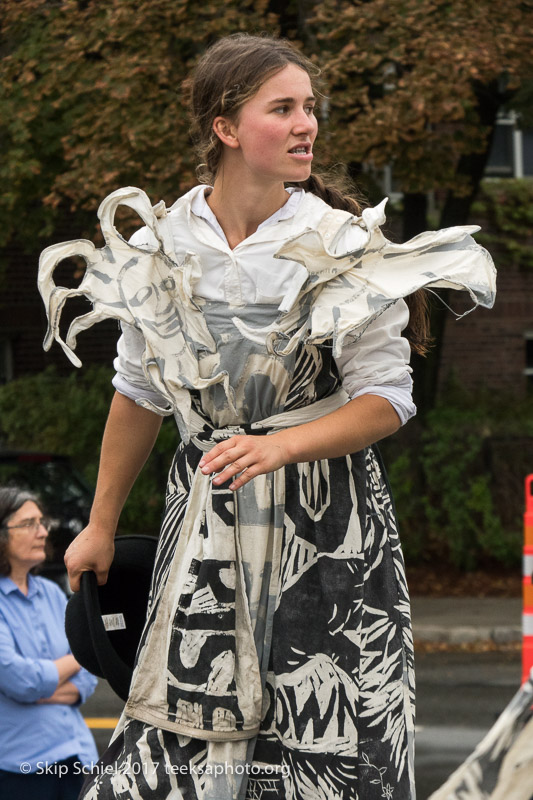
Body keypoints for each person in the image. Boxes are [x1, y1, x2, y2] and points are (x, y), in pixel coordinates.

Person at [39, 33, 496, 800]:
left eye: (309, 108)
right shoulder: (160, 245)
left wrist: (280, 447)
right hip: (206, 521)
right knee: (179, 732)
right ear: (226, 128)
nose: (305, 125)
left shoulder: (343, 244)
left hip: (327, 529)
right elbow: (138, 392)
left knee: (322, 739)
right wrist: (100, 523)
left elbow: (386, 400)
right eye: (281, 108)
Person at [0, 485, 98, 799]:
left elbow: (89, 674)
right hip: (21, 767)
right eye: (29, 524)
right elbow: (22, 680)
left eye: (43, 522)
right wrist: (74, 662)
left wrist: (42, 688)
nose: (43, 532)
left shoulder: (53, 594)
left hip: (77, 755)